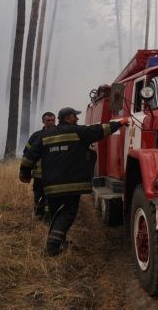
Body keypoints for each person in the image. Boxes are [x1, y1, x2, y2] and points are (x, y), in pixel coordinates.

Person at [19, 107, 128, 256]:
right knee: (67, 214)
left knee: (56, 214)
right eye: (74, 116)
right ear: (67, 118)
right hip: (71, 185)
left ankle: (59, 244)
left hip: (50, 185)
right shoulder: (78, 132)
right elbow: (100, 130)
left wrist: (24, 173)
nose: (76, 119)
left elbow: (29, 157)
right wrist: (120, 122)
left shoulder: (45, 135)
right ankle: (52, 247)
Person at [24, 111, 56, 221]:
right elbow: (27, 153)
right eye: (48, 121)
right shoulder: (36, 136)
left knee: (52, 197)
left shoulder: (59, 134)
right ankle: (38, 216)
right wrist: (25, 171)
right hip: (39, 174)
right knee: (39, 196)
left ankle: (49, 218)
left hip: (55, 174)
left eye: (53, 120)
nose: (51, 122)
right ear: (43, 121)